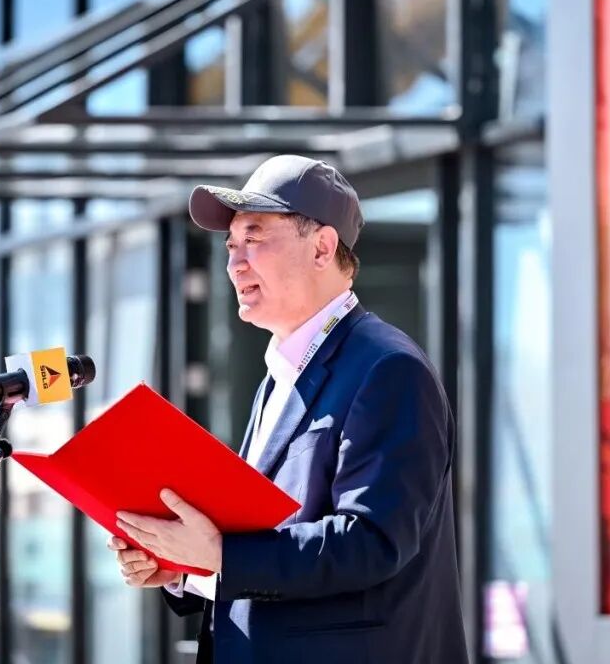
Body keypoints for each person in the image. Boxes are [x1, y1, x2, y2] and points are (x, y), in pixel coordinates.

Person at [107, 155, 468, 663]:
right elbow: (263, 534)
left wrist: (219, 554)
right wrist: (184, 564)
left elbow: (371, 542)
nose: (235, 264)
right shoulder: (283, 371)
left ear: (322, 247)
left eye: (254, 238)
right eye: (231, 246)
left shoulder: (389, 369)